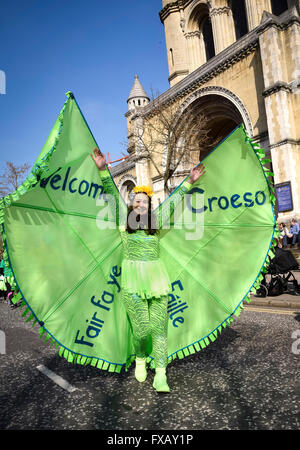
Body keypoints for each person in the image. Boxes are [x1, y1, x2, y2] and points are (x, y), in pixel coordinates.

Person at [91, 148, 205, 392]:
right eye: (136, 200)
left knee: (159, 328)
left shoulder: (157, 221)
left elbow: (174, 201)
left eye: (144, 201)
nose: (139, 203)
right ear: (132, 205)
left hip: (156, 280)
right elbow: (112, 193)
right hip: (132, 282)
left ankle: (161, 373)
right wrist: (102, 170)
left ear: (150, 206)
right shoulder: (124, 219)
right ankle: (140, 358)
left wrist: (189, 182)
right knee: (141, 330)